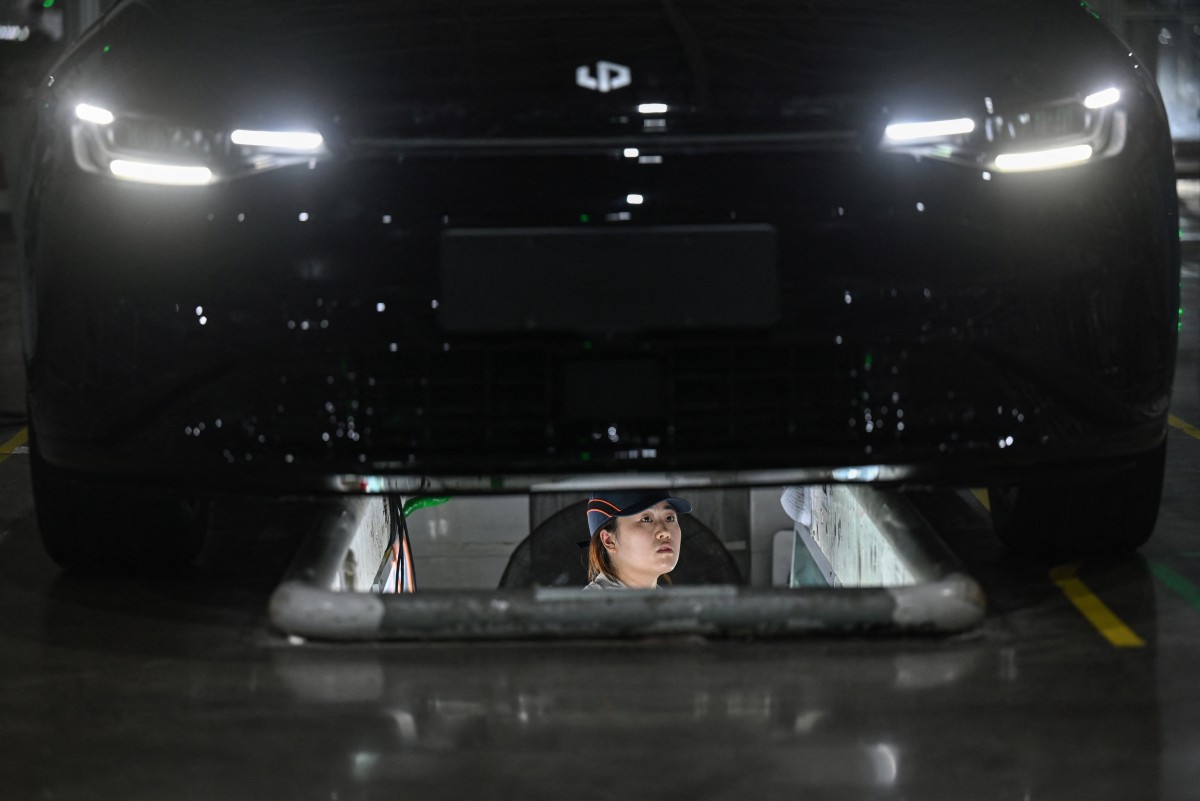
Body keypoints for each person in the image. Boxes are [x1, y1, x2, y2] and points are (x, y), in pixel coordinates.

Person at [582, 491, 692, 590]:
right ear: (609, 540)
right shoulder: (590, 608)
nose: (665, 532)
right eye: (646, 519)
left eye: (670, 518)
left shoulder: (668, 606)